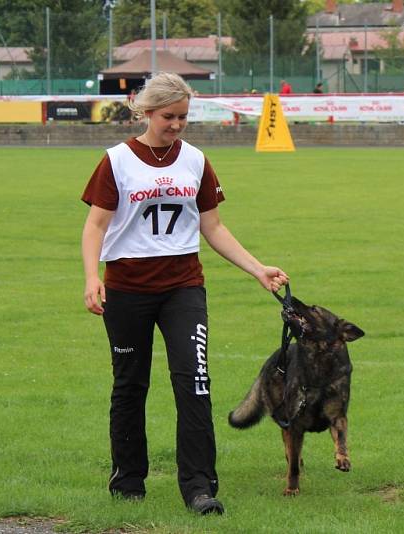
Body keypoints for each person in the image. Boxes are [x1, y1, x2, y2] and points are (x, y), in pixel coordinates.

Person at [80, 72, 289, 514]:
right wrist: (91, 276)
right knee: (129, 385)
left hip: (183, 288)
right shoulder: (116, 160)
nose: (176, 125)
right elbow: (96, 224)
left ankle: (198, 487)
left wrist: (257, 269)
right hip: (127, 288)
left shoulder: (195, 159)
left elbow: (212, 226)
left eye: (183, 118)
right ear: (146, 112)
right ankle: (128, 481)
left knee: (194, 383)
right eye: (168, 117)